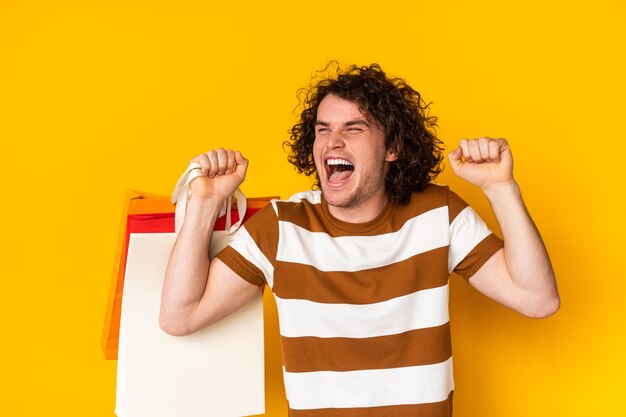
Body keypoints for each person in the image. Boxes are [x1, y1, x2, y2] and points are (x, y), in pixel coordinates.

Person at [159, 63, 559, 417]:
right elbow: (180, 316)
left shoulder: (439, 214)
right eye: (323, 130)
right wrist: (205, 202)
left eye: (354, 128)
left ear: (393, 148)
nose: (333, 142)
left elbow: (537, 298)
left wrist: (500, 186)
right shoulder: (282, 227)